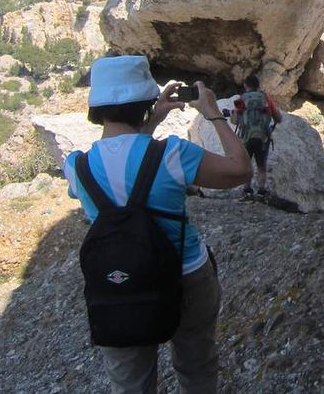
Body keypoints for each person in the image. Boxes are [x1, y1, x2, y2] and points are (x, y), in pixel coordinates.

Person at [63, 55, 251, 394]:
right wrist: (211, 113)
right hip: (186, 273)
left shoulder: (77, 167)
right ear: (146, 104)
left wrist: (153, 118)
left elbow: (124, 156)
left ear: (97, 109)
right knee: (196, 366)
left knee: (130, 383)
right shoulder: (174, 154)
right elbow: (239, 170)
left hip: (117, 280)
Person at [234, 74, 283, 199]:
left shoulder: (242, 99)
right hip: (262, 137)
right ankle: (261, 190)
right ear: (258, 85)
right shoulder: (266, 98)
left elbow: (235, 121)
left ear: (246, 85)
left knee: (246, 164)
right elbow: (278, 118)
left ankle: (247, 189)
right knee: (261, 165)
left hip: (246, 137)